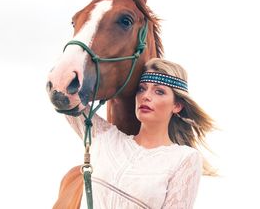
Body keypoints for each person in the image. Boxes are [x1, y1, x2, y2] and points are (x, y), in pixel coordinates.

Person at [66, 58, 215, 209]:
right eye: (142, 88)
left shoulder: (184, 158)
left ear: (177, 105)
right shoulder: (107, 138)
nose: (146, 96)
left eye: (159, 91)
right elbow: (67, 96)